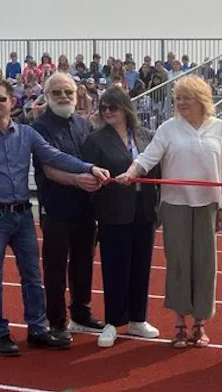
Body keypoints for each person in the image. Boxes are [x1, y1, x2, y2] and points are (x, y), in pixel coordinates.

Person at [0, 79, 109, 356]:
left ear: (12, 102)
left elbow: (55, 156)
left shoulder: (27, 134)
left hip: (23, 216)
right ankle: (0, 334)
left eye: (1, 98)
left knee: (33, 278)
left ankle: (37, 329)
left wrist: (89, 167)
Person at [117, 75, 222, 349]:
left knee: (205, 265)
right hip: (175, 205)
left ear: (201, 99)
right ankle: (180, 324)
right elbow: (148, 157)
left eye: (186, 98)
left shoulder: (221, 129)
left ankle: (200, 324)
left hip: (208, 205)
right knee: (179, 263)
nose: (180, 103)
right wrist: (132, 172)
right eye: (177, 98)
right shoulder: (168, 128)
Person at [80, 88, 161, 348]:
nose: (107, 112)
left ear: (125, 108)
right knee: (115, 267)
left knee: (141, 265)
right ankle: (113, 321)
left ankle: (138, 318)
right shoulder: (95, 140)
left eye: (112, 107)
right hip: (113, 212)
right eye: (103, 107)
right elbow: (89, 177)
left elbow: (157, 171)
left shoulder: (146, 136)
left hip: (144, 210)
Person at [32, 72, 105, 340]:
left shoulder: (83, 125)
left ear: (77, 95)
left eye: (68, 92)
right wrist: (76, 179)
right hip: (56, 209)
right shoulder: (39, 127)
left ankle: (81, 313)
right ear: (47, 96)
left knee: (83, 262)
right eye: (57, 92)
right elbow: (49, 168)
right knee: (55, 267)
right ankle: (57, 321)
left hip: (85, 207)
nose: (63, 96)